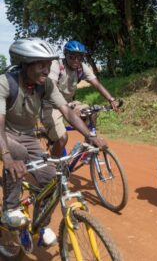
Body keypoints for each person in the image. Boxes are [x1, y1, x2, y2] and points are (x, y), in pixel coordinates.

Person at [0, 38, 107, 246]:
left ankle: (40, 225)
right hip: (5, 135)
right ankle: (10, 208)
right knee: (18, 154)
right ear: (25, 63)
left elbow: (67, 110)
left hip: (28, 135)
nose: (47, 70)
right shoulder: (6, 82)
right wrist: (7, 157)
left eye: (48, 65)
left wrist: (90, 136)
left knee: (54, 178)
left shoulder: (46, 84)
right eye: (41, 64)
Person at [41, 40, 119, 157]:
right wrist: (69, 110)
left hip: (69, 102)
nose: (76, 61)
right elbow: (51, 89)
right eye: (72, 57)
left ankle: (87, 149)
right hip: (50, 105)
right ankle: (54, 167)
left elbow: (96, 84)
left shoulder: (81, 68)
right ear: (66, 55)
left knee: (92, 112)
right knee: (62, 138)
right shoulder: (56, 65)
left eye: (79, 57)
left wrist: (111, 99)